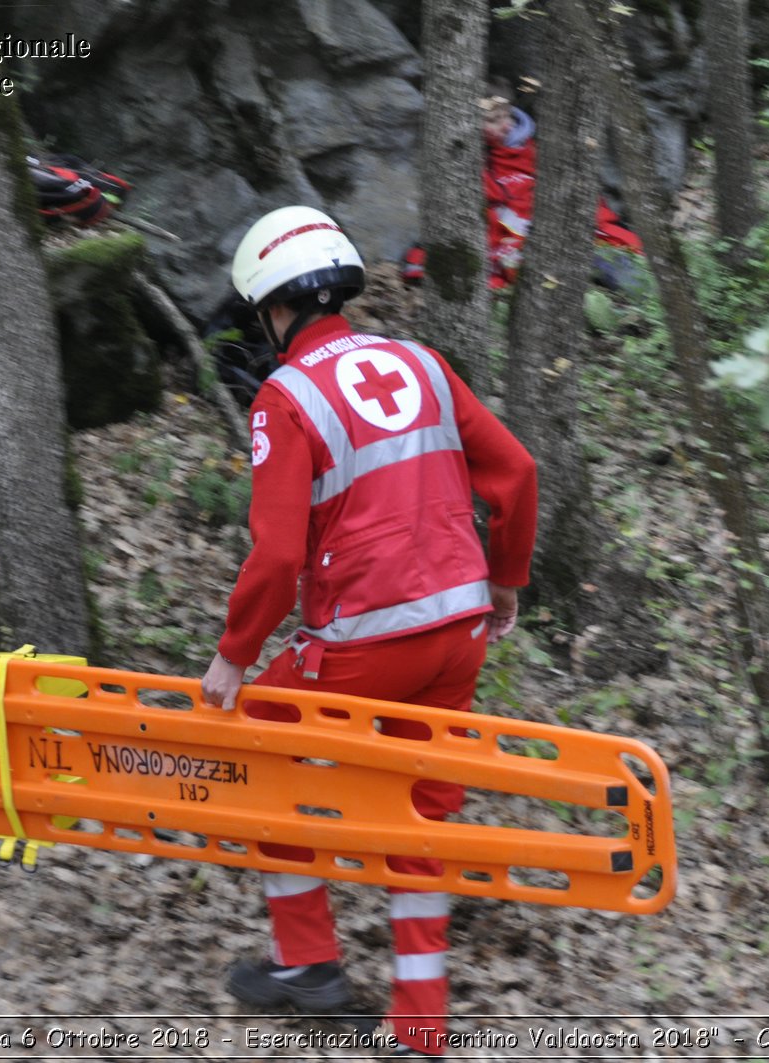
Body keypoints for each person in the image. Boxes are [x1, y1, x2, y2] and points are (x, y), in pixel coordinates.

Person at [200, 206, 539, 1057]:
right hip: (458, 630)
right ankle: (420, 1023)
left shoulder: (288, 396)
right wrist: (504, 581)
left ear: (277, 306)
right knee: (420, 806)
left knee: (257, 744)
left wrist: (233, 656)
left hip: (364, 643)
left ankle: (307, 960)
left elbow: (277, 558)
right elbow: (517, 470)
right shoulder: (422, 362)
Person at [403, 87, 644, 290]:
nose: (506, 126)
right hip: (520, 235)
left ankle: (637, 287)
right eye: (493, 120)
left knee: (619, 244)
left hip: (560, 223)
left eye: (506, 116)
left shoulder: (533, 149)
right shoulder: (475, 163)